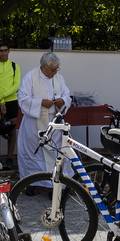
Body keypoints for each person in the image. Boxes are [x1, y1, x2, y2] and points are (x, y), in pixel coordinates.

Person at [16, 51, 73, 180]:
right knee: (34, 155)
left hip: (55, 123)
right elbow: (22, 100)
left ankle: (55, 185)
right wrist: (41, 103)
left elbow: (67, 96)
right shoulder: (30, 77)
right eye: (53, 70)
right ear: (43, 67)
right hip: (34, 125)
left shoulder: (59, 78)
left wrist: (62, 101)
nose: (55, 73)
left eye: (56, 69)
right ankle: (31, 183)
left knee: (56, 153)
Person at [0, 42, 20, 169]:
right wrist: (0, 101)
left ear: (9, 51)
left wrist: (2, 97)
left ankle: (10, 159)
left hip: (11, 101)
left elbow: (16, 85)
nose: (3, 53)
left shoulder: (15, 66)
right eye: (1, 50)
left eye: (5, 50)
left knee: (11, 129)